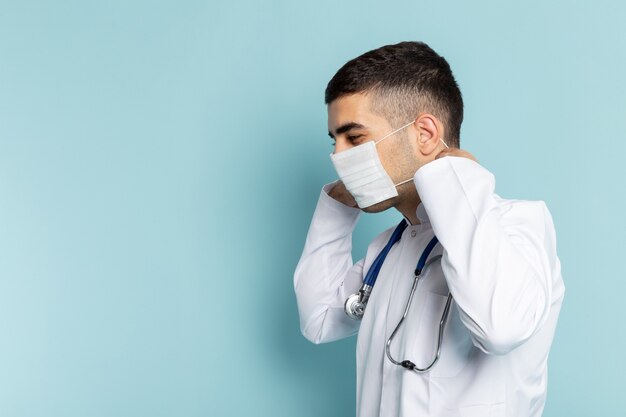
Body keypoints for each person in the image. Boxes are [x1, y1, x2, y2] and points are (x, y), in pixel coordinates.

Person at [293, 41, 565, 417]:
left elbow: (500, 327)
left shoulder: (517, 225)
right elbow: (319, 318)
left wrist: (454, 174)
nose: (338, 157)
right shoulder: (387, 248)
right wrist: (335, 210)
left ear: (425, 133)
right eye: (335, 141)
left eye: (354, 138)